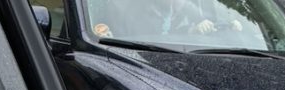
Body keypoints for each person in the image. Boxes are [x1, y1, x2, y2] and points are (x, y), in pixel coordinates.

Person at [90, 0, 242, 40]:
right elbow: (147, 39)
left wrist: (230, 23)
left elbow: (207, 16)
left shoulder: (180, 7)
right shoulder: (125, 8)